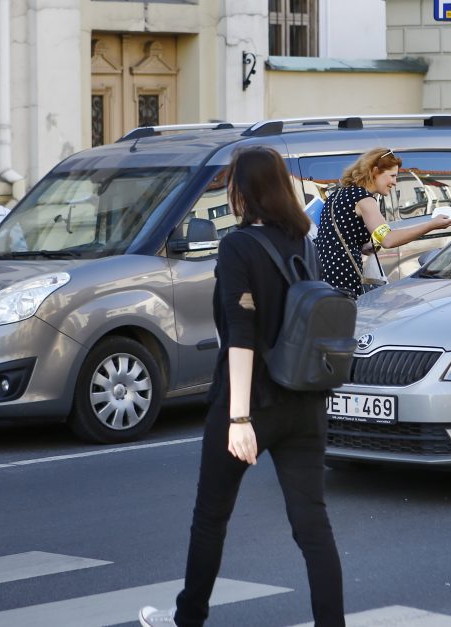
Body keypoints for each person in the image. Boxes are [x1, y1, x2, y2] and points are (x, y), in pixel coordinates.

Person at [139, 146, 345, 627]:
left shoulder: (237, 247)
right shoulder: (304, 241)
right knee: (313, 526)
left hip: (251, 404)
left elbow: (241, 334)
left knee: (210, 518)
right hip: (305, 400)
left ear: (242, 191)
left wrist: (238, 418)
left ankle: (187, 620)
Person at [315, 147, 451, 297]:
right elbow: (388, 240)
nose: (395, 182)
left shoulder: (338, 194)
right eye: (392, 176)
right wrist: (431, 225)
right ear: (375, 171)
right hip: (344, 279)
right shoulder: (363, 199)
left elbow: (341, 238)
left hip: (323, 276)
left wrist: (367, 246)